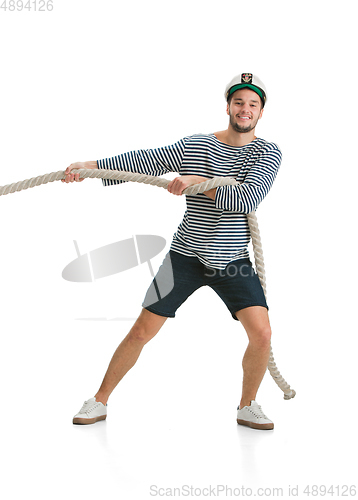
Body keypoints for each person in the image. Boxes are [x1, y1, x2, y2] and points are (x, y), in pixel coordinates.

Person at [65, 73, 282, 430]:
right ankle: (99, 400)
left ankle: (248, 406)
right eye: (239, 102)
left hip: (232, 262)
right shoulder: (195, 145)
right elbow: (145, 160)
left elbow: (247, 196)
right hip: (185, 256)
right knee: (141, 331)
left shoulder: (266, 152)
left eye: (253, 105)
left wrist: (199, 182)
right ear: (227, 106)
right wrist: (90, 166)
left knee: (262, 334)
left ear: (261, 112)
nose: (245, 110)